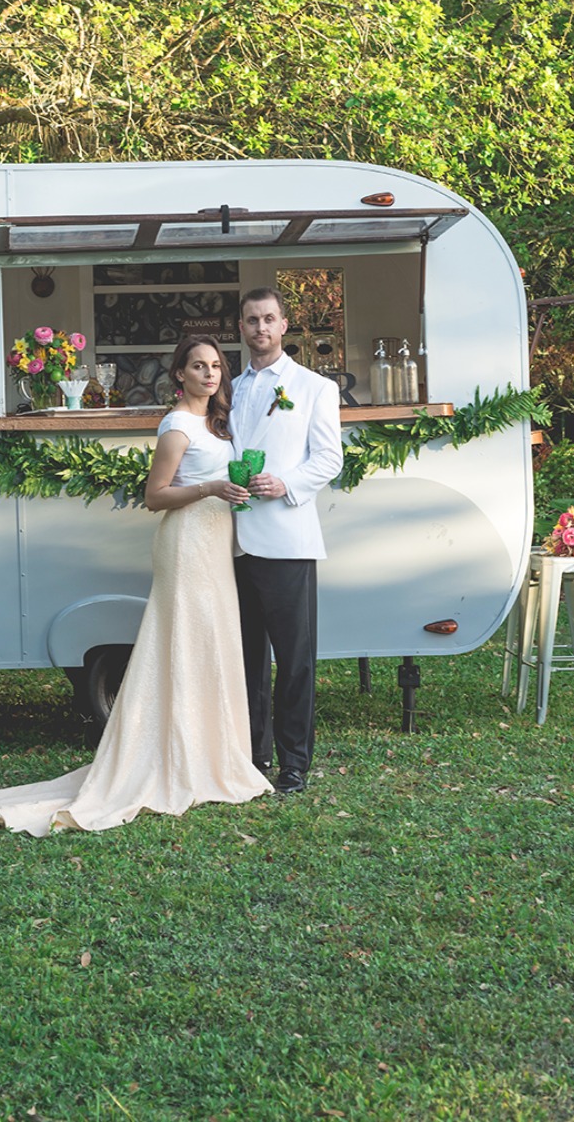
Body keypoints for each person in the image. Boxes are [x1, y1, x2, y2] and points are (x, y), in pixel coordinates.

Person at [0, 335, 271, 836]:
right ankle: (176, 756)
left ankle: (213, 751)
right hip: (188, 542)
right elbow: (155, 496)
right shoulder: (176, 426)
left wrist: (238, 489)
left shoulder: (219, 422)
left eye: (216, 365)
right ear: (180, 374)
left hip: (218, 543)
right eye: (198, 366)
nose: (209, 374)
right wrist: (212, 488)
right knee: (185, 642)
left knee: (211, 641)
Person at [231, 287, 344, 795]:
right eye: (252, 320)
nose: (260, 328)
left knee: (295, 660)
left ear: (284, 326)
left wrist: (287, 485)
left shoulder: (314, 387)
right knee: (246, 658)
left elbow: (329, 458)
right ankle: (253, 758)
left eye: (269, 319)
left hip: (286, 539)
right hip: (232, 541)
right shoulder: (228, 389)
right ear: (242, 327)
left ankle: (294, 762)